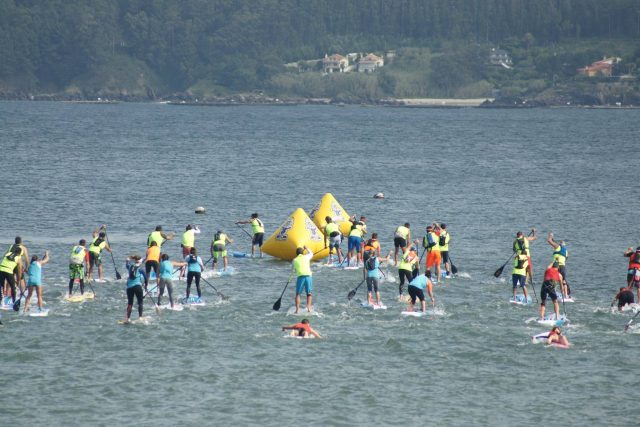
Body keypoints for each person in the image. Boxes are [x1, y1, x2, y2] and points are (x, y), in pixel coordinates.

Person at [547, 233, 569, 297]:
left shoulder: (557, 247)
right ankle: (565, 295)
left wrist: (550, 235)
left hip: (556, 266)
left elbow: (549, 240)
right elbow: (565, 259)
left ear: (560, 244)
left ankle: (551, 293)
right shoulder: (566, 252)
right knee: (563, 281)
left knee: (553, 280)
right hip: (563, 267)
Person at [292, 246, 313, 314]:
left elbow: (293, 270)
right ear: (302, 253)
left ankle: (297, 310)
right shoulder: (306, 257)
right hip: (308, 276)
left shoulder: (294, 260)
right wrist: (306, 248)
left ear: (296, 254)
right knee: (309, 293)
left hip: (300, 277)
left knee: (298, 294)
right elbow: (311, 253)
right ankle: (309, 308)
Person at [124, 255, 144, 323]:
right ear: (139, 262)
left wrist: (129, 257)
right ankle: (140, 317)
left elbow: (127, 262)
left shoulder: (130, 267)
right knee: (140, 302)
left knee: (130, 303)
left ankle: (128, 318)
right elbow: (146, 279)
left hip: (129, 287)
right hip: (138, 286)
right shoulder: (140, 269)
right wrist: (146, 285)